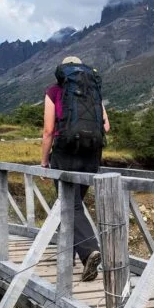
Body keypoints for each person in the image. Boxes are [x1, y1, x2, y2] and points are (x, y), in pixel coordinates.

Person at [41, 56, 109, 281]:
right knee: (74, 204)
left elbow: (49, 130)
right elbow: (106, 126)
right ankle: (68, 255)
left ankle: (89, 250)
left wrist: (44, 161)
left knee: (70, 205)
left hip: (66, 152)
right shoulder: (93, 91)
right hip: (91, 154)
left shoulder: (54, 91)